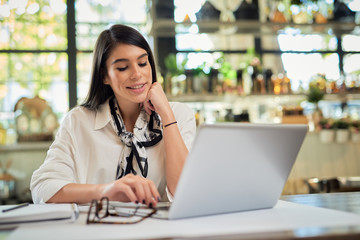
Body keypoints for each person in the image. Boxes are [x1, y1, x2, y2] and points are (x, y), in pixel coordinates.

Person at [30, 24, 196, 208]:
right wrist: (106, 191)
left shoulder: (179, 115)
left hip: (161, 232)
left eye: (142, 63)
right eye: (123, 67)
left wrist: (166, 114)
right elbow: (43, 188)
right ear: (104, 76)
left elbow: (185, 192)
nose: (137, 74)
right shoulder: (78, 121)